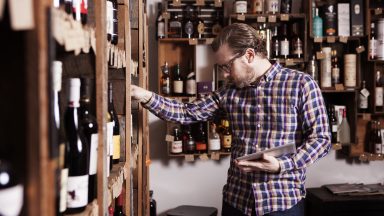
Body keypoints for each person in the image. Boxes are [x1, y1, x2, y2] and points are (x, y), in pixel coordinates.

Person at [131, 23, 331, 216]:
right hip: (237, 201)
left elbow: (321, 139)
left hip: (283, 203)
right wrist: (145, 96)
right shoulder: (230, 91)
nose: (225, 74)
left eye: (227, 66)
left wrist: (283, 165)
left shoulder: (301, 84)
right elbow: (187, 112)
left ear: (249, 55)